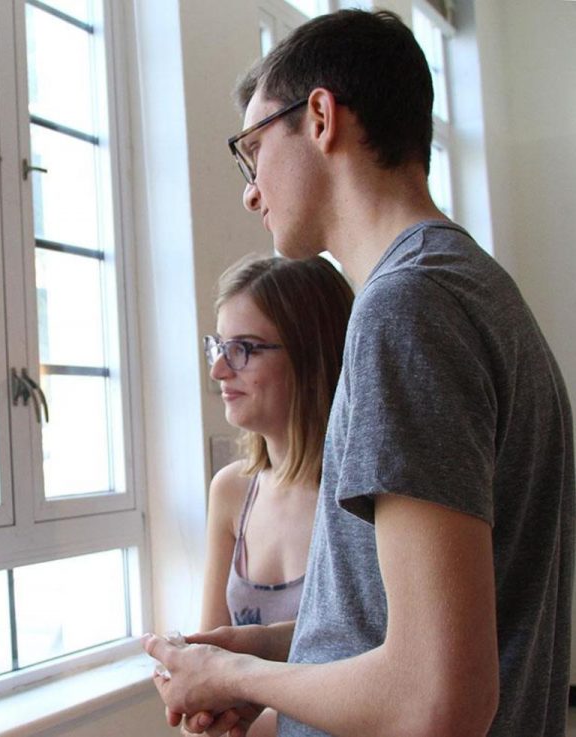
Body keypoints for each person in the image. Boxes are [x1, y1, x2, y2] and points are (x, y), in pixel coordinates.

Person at [144, 9, 574, 737]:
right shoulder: (475, 288)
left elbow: (438, 698)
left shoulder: (405, 308)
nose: (251, 191)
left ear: (319, 117)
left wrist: (230, 674)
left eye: (253, 151)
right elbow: (412, 629)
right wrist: (268, 647)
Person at [198, 255, 352, 737]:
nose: (219, 370)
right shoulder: (230, 491)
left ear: (312, 357)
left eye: (244, 349)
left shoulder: (362, 499)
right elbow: (212, 664)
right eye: (218, 347)